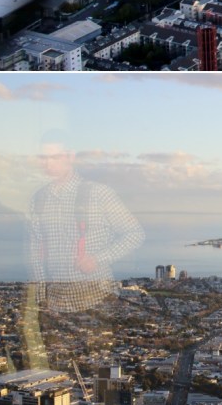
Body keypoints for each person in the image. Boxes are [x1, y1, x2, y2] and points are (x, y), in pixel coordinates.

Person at [23, 132, 145, 360]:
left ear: (69, 156)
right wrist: (40, 301)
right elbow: (35, 252)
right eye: (43, 157)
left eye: (54, 156)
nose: (48, 163)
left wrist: (98, 258)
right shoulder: (38, 199)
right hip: (56, 303)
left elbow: (134, 233)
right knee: (61, 369)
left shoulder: (98, 193)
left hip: (95, 298)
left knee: (99, 366)